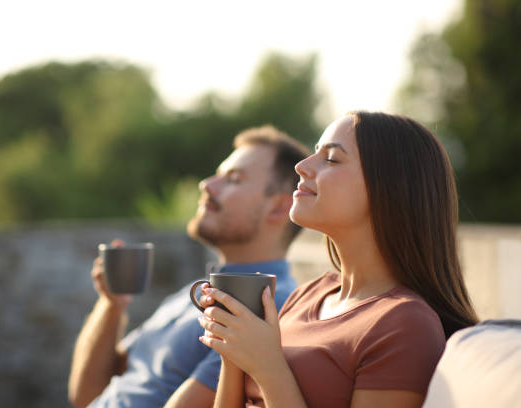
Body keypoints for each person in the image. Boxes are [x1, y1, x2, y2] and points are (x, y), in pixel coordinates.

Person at [197, 111, 479, 407]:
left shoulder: (405, 325)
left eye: (331, 159)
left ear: (386, 187)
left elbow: (268, 372)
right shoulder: (307, 296)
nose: (302, 166)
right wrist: (234, 354)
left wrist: (268, 367)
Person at [68, 125, 311, 408]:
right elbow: (87, 395)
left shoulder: (268, 303)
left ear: (279, 208)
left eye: (233, 178)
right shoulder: (194, 292)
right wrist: (111, 306)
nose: (206, 185)